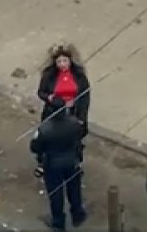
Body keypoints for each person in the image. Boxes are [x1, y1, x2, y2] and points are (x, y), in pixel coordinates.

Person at [30, 97, 87, 231]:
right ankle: (77, 214)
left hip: (52, 164)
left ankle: (58, 222)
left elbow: (35, 147)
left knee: (56, 194)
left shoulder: (45, 129)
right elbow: (80, 136)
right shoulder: (74, 123)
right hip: (71, 161)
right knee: (74, 189)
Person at [35, 44, 91, 177]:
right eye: (59, 61)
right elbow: (41, 92)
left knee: (74, 140)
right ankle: (43, 163)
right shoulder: (49, 75)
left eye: (65, 61)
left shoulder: (79, 76)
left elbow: (85, 97)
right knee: (49, 138)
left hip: (73, 112)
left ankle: (75, 164)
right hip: (53, 112)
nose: (62, 64)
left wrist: (82, 116)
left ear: (70, 61)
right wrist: (50, 98)